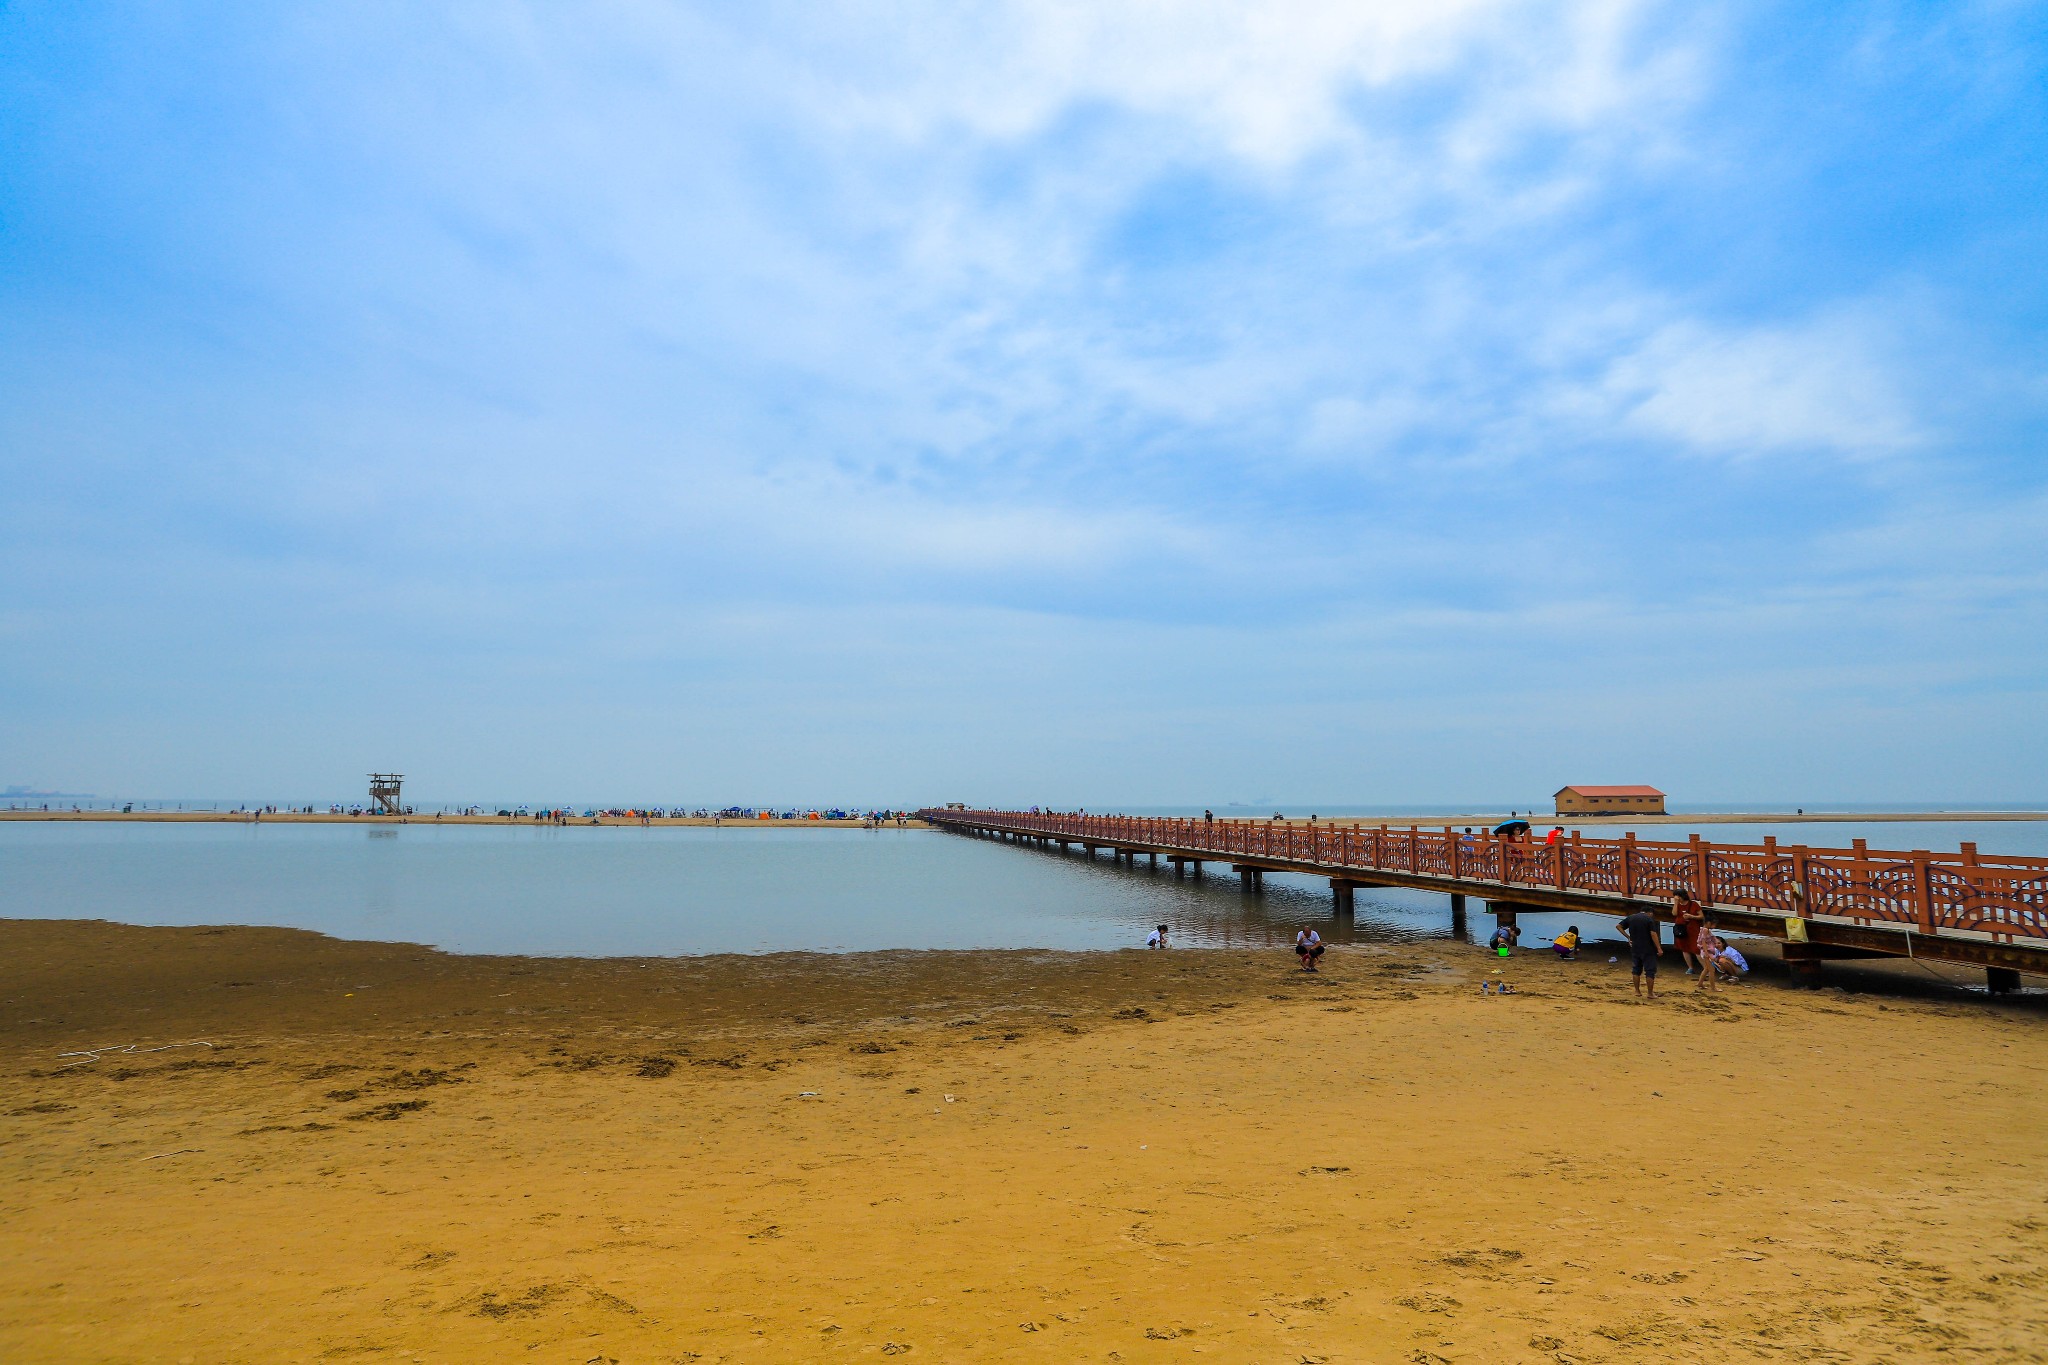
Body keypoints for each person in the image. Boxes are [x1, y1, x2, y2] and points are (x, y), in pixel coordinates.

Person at [1615, 906, 1662, 1000]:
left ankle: (1637, 991)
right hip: (1648, 948)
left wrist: (1628, 937)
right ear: (1650, 913)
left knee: (1636, 969)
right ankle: (1650, 993)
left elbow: (1618, 926)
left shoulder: (1631, 917)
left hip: (1635, 947)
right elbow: (1653, 934)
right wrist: (1659, 948)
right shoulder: (1649, 919)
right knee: (1650, 971)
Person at [1670, 888, 1705, 975]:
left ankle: (1706, 968)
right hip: (1681, 929)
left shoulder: (1693, 904)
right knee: (1684, 948)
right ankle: (1690, 967)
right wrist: (1676, 903)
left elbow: (1701, 916)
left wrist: (1691, 916)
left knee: (1696, 948)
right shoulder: (1677, 905)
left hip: (1692, 929)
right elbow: (1674, 913)